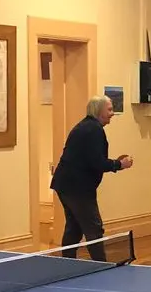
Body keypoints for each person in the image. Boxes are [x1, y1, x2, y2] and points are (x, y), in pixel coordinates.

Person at [50, 96, 133, 261]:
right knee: (93, 227)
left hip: (65, 184)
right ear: (99, 111)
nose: (112, 113)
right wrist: (119, 164)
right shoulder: (94, 130)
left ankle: (67, 262)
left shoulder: (86, 126)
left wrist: (115, 163)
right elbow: (97, 162)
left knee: (74, 227)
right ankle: (101, 265)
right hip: (77, 187)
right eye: (109, 110)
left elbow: (90, 158)